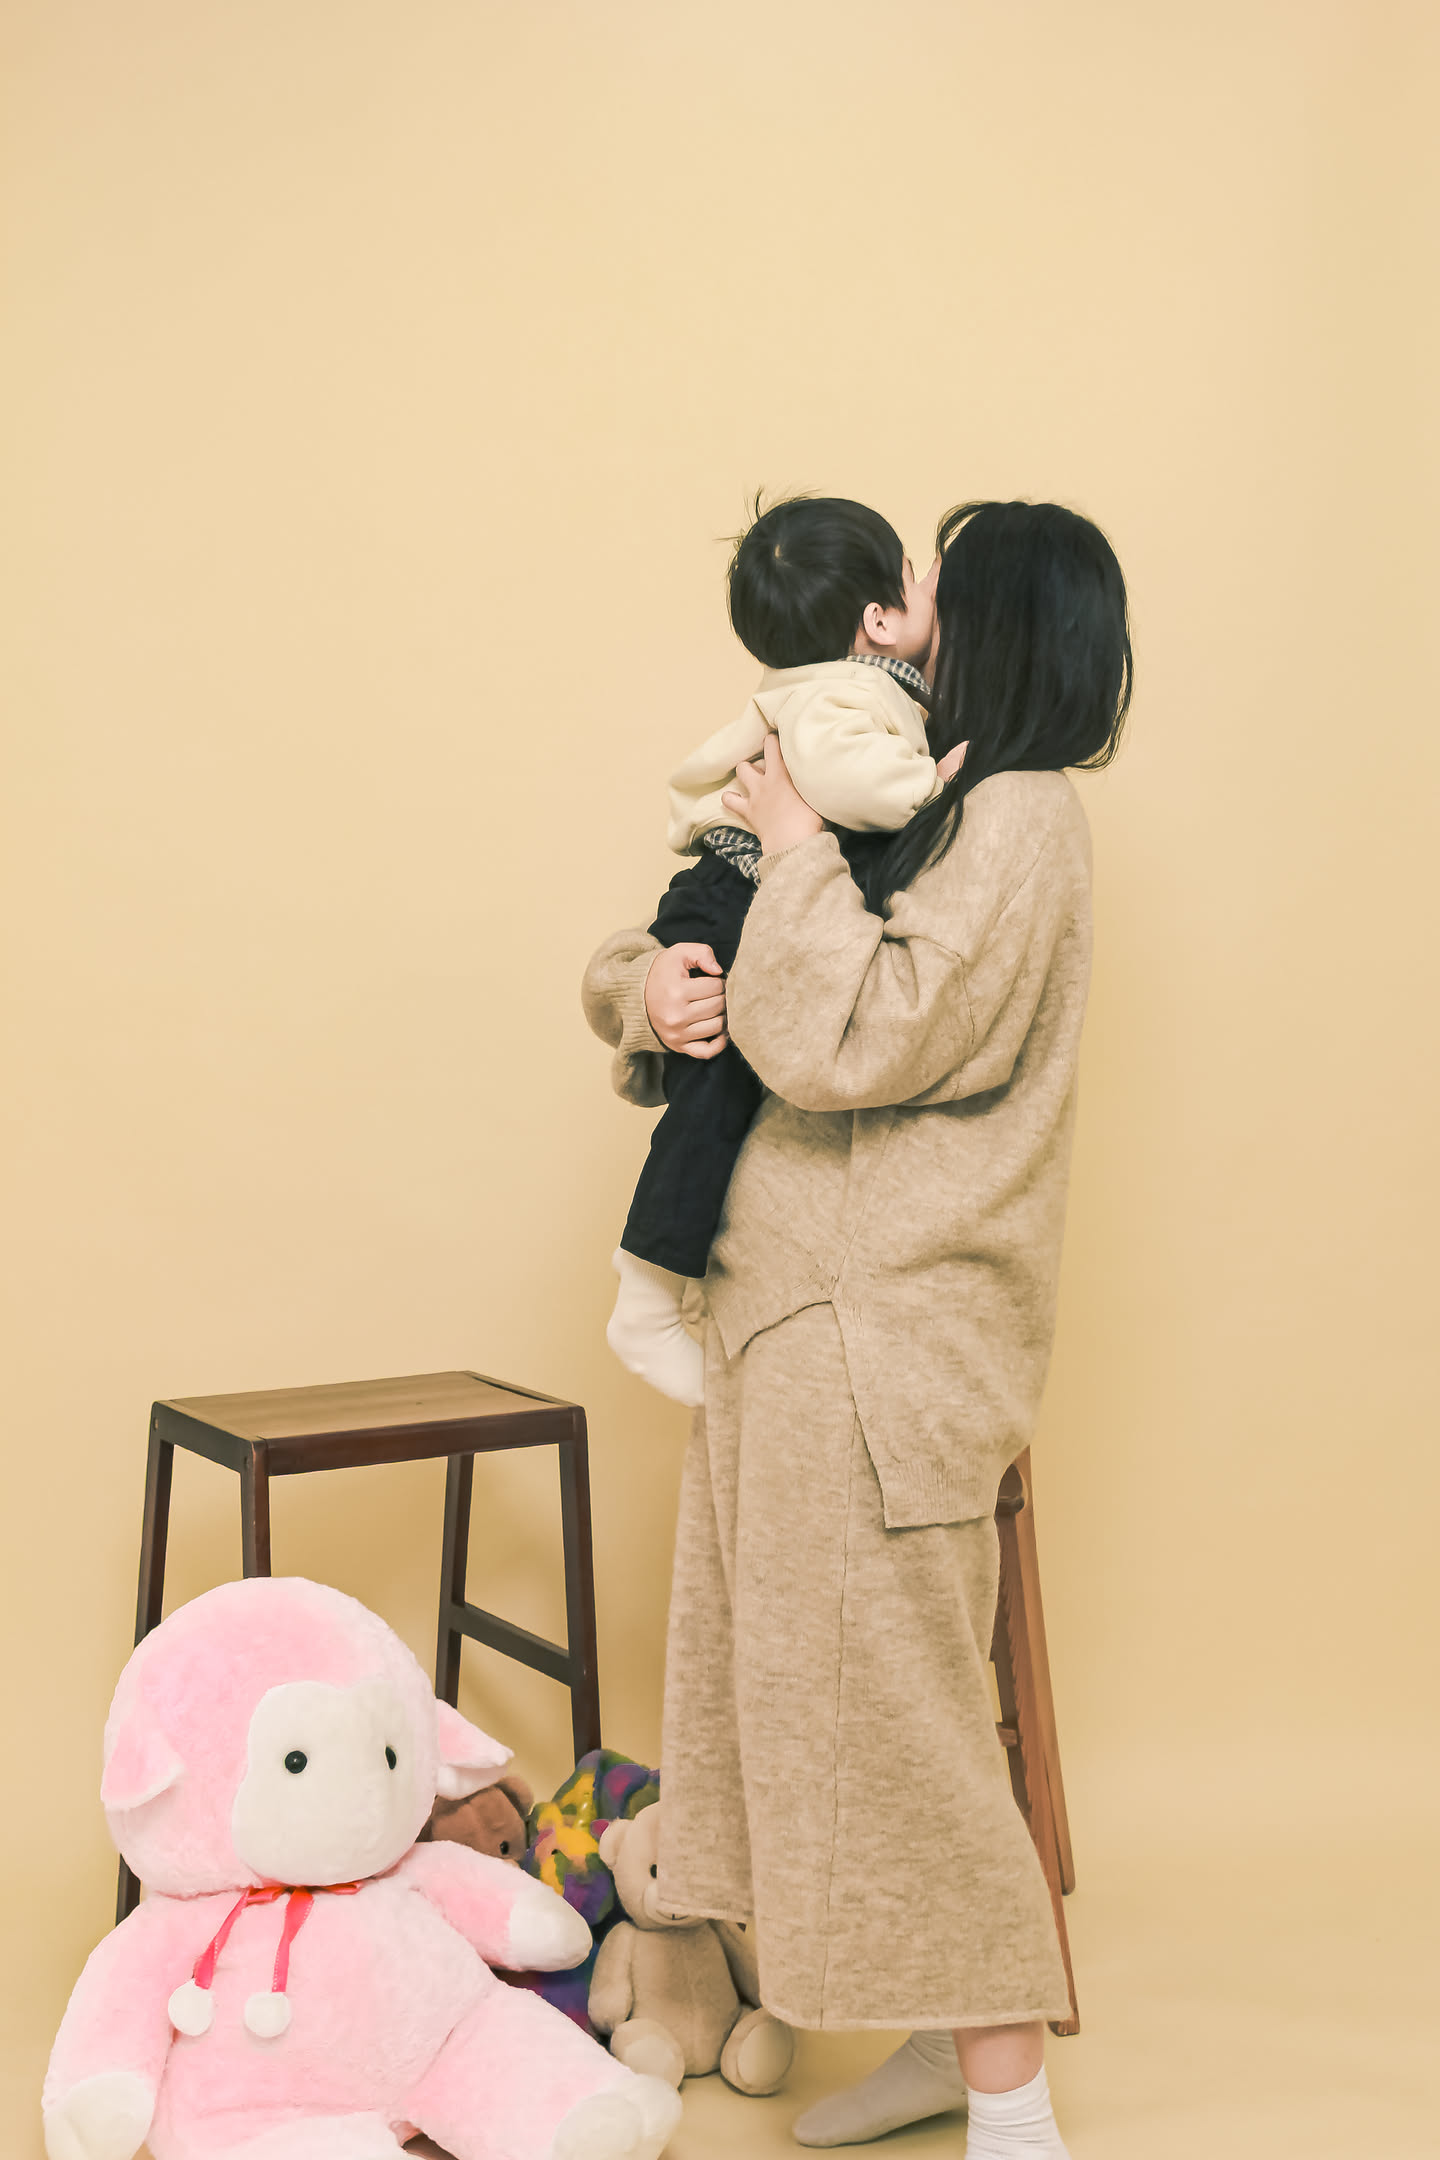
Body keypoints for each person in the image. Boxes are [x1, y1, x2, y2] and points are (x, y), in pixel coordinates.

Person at [583, 498, 1132, 2159]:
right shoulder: (909, 779)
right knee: (798, 1701)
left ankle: (1014, 2106)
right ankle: (944, 2047)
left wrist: (797, 847)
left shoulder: (1018, 820)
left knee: (898, 1723)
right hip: (787, 1324)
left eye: (943, 589)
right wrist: (644, 989)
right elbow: (707, 924)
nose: (911, 608)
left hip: (882, 1342)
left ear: (1001, 625)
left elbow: (858, 1035)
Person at [606, 495, 963, 1410]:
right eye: (916, 576)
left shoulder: (824, 684)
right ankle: (645, 1298)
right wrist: (930, 784)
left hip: (730, 890)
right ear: (878, 619)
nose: (931, 584)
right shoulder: (847, 695)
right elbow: (850, 777)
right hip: (733, 896)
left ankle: (653, 1294)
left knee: (719, 1096)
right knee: (714, 1096)